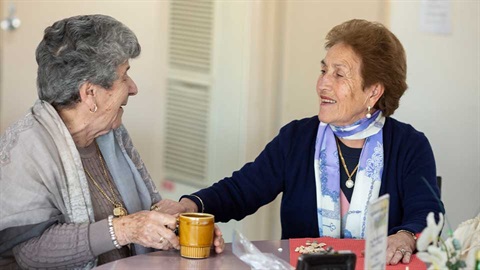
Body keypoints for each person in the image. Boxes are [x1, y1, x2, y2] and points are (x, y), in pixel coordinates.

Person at [157, 19, 445, 266]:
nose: (322, 84)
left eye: (339, 74)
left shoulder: (409, 145)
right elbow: (242, 189)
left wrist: (405, 236)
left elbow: (428, 214)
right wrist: (191, 205)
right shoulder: (298, 138)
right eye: (323, 70)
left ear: (373, 91)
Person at [0, 14, 224, 269]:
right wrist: (124, 230)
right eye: (124, 76)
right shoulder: (26, 149)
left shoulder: (111, 133)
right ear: (90, 93)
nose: (133, 88)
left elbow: (149, 210)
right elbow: (31, 252)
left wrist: (185, 230)